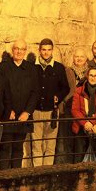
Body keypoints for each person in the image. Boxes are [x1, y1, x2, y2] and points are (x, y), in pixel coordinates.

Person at [0, 39, 40, 169]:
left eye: (22, 49)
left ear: (25, 51)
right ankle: (3, 178)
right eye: (16, 48)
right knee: (5, 147)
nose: (19, 51)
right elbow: (0, 91)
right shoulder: (3, 67)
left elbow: (35, 92)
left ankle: (16, 176)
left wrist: (27, 112)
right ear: (12, 50)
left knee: (18, 147)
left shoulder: (31, 69)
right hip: (8, 115)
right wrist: (7, 110)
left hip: (24, 116)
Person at [31, 38, 69, 166]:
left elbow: (66, 88)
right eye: (43, 50)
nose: (46, 53)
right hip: (36, 111)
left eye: (48, 50)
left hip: (52, 112)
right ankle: (37, 171)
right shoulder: (32, 67)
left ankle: (47, 172)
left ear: (52, 50)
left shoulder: (58, 67)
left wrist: (58, 96)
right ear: (39, 50)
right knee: (36, 144)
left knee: (50, 145)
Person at [55, 47, 89, 164]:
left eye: (82, 56)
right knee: (67, 140)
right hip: (68, 109)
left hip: (83, 112)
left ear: (86, 59)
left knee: (80, 141)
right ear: (73, 58)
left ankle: (79, 166)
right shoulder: (67, 71)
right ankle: (68, 166)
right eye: (76, 56)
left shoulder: (90, 73)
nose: (79, 59)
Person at [71, 67, 96, 161]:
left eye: (95, 76)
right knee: (79, 156)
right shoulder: (79, 90)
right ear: (87, 76)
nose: (93, 78)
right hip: (81, 126)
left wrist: (91, 122)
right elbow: (75, 109)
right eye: (91, 75)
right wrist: (85, 123)